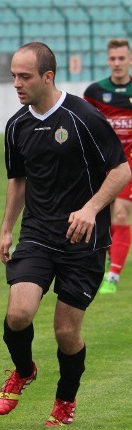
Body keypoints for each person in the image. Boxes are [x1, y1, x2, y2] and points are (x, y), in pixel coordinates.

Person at [0, 42, 130, 427]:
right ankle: (23, 370)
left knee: (66, 331)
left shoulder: (83, 116)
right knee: (18, 313)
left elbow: (121, 171)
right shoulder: (17, 125)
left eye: (25, 76)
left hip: (83, 241)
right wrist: (6, 228)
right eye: (13, 76)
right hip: (37, 233)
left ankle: (65, 400)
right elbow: (17, 180)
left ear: (48, 76)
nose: (17, 84)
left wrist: (90, 209)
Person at [84, 38, 132, 294]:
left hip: (130, 162)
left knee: (122, 213)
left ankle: (113, 275)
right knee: (104, 216)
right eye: (113, 59)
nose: (117, 63)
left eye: (121, 58)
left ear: (130, 60)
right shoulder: (94, 92)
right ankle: (110, 257)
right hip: (104, 163)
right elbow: (86, 127)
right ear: (107, 61)